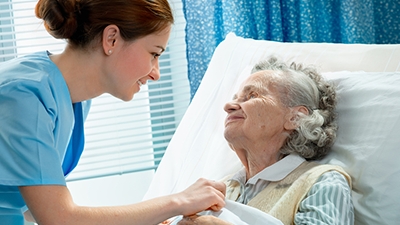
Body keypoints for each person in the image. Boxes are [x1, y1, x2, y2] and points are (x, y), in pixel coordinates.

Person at [0, 0, 226, 224]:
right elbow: (59, 218)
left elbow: (35, 204)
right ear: (112, 39)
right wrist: (178, 202)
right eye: (154, 54)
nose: (156, 73)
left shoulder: (72, 98)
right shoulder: (25, 96)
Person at [176, 57, 354, 225]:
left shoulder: (322, 182)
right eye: (235, 98)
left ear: (296, 117)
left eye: (252, 96)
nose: (228, 106)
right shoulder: (221, 188)